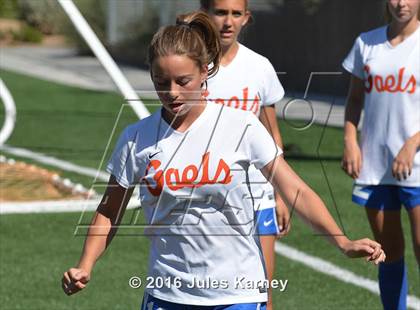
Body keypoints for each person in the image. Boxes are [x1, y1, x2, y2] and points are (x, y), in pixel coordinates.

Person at [62, 11, 386, 310]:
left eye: (183, 81)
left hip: (239, 293)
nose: (172, 92)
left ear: (205, 71)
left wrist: (343, 243)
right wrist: (85, 265)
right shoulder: (136, 138)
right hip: (166, 293)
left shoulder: (241, 125)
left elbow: (294, 190)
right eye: (161, 83)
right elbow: (109, 210)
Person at [199, 1, 288, 307]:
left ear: (246, 18)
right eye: (220, 12)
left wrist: (279, 194)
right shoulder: (192, 68)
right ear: (205, 13)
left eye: (236, 14)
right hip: (206, 197)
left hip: (256, 196)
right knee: (206, 292)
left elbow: (273, 136)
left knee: (262, 293)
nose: (227, 21)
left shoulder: (259, 67)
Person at [341, 0, 420, 309]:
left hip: (415, 166)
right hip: (375, 167)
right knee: (388, 250)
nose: (401, 2)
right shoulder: (366, 42)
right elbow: (354, 100)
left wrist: (413, 143)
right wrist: (350, 140)